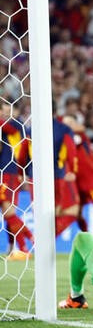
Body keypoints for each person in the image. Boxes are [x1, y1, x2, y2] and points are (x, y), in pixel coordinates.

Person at [63, 117, 93, 255]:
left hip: (92, 182)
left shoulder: (82, 137)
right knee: (77, 214)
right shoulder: (64, 141)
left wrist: (69, 125)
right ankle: (90, 244)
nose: (68, 126)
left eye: (70, 123)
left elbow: (82, 128)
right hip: (77, 183)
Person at [1, 103, 33, 260]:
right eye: (4, 111)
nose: (6, 113)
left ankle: (26, 246)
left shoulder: (15, 125)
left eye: (9, 110)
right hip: (12, 173)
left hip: (9, 173)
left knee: (9, 212)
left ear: (17, 111)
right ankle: (13, 247)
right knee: (8, 213)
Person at [53, 117, 81, 237]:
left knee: (57, 211)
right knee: (69, 210)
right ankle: (42, 240)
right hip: (63, 175)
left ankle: (42, 240)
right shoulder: (65, 132)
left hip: (53, 175)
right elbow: (71, 153)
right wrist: (73, 171)